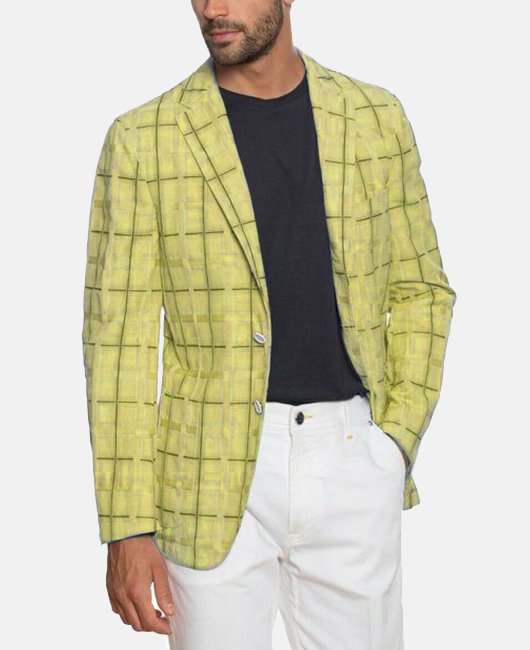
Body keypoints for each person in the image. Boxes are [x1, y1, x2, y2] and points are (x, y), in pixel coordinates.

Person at [82, 1, 457, 648]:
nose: (213, 8)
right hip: (204, 475)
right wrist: (127, 525)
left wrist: (394, 442)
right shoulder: (143, 139)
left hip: (352, 459)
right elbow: (118, 343)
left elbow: (423, 290)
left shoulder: (375, 118)